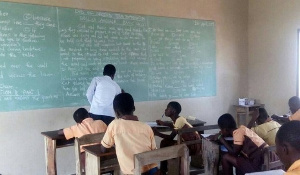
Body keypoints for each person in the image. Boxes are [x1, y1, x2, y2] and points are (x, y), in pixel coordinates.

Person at [100, 93, 158, 175]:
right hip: (150, 171)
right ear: (134, 108)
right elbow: (154, 152)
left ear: (116, 113)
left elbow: (103, 149)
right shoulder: (146, 127)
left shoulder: (114, 125)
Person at [153, 101, 201, 175]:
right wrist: (163, 123)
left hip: (190, 147)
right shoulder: (180, 119)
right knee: (165, 142)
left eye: (167, 108)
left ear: (173, 111)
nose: (165, 110)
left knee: (164, 142)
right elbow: (173, 125)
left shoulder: (179, 121)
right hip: (194, 144)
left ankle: (163, 170)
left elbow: (170, 137)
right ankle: (163, 169)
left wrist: (157, 133)